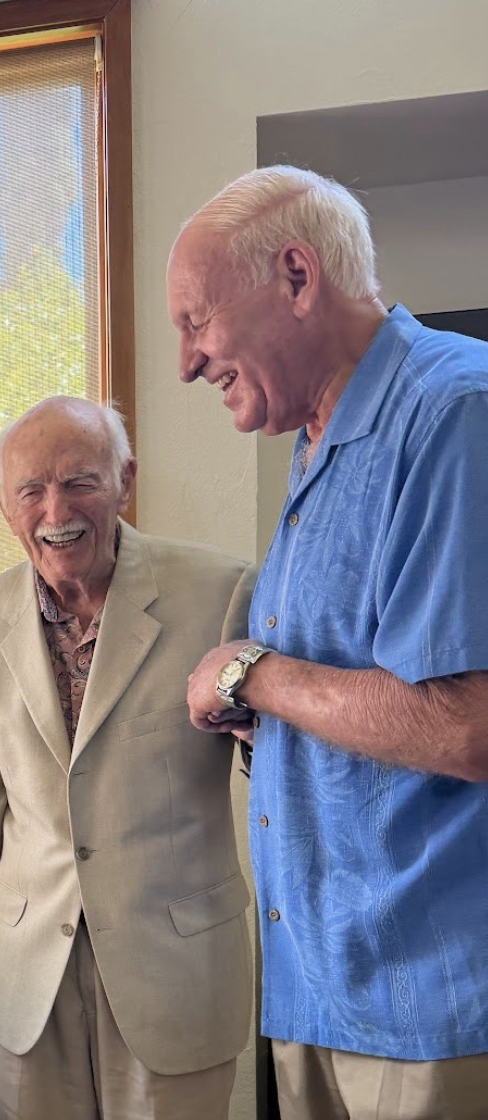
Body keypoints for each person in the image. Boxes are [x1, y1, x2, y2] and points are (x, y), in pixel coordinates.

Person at [169, 165, 488, 1120]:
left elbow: (467, 726)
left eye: (196, 320)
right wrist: (265, 713)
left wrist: (249, 672)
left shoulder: (454, 412)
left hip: (427, 1003)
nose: (186, 361)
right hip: (321, 989)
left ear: (297, 278)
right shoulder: (317, 443)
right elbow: (371, 703)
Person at [0, 396, 255, 1120]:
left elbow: (277, 772)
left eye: (80, 480)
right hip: (31, 980)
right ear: (2, 504)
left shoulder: (223, 590)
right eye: (31, 489)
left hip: (176, 969)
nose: (57, 509)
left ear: (124, 480)